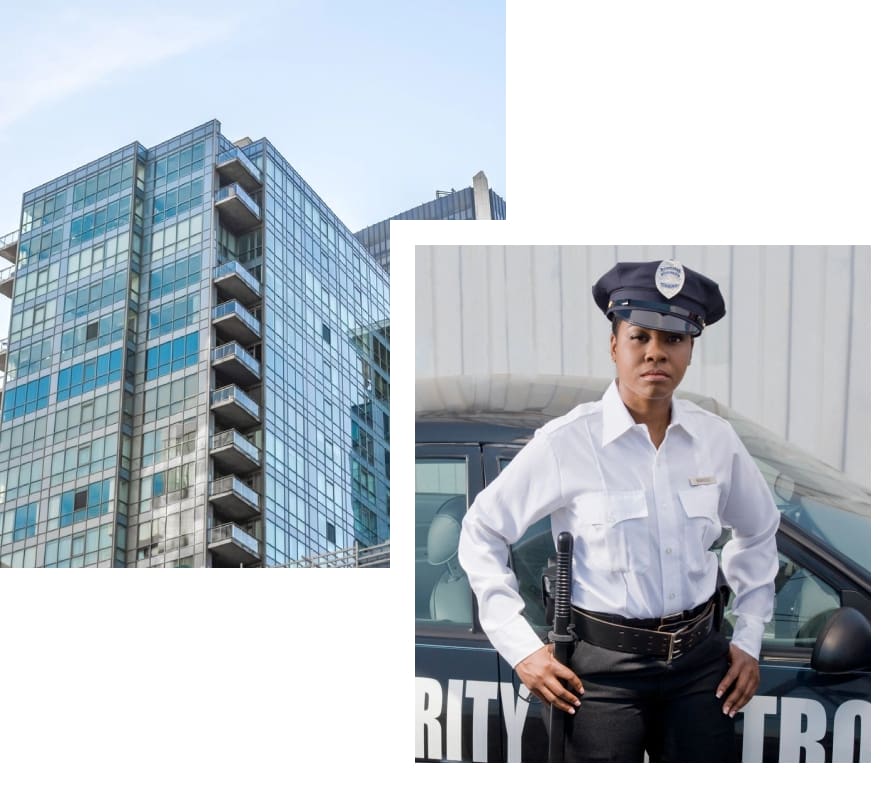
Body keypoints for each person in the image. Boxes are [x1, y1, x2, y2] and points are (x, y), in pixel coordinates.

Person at [457, 260, 780, 762]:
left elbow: (759, 531)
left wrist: (750, 636)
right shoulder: (569, 443)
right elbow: (481, 530)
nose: (656, 352)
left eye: (672, 340)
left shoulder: (716, 442)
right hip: (599, 677)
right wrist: (520, 647)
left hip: (700, 670)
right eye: (640, 336)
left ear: (690, 350)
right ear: (615, 346)